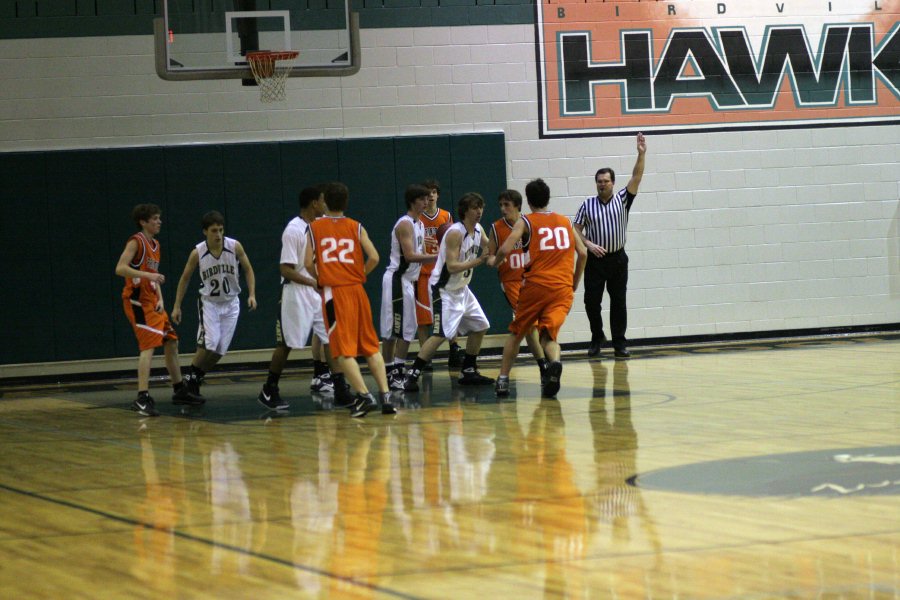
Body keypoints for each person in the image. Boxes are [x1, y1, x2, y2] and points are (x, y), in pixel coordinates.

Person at [488, 179, 587, 397]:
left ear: (528, 201)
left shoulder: (526, 222)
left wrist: (495, 262)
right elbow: (583, 253)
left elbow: (504, 248)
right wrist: (575, 282)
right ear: (548, 197)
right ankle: (555, 363)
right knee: (548, 337)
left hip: (536, 286)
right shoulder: (565, 221)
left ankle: (503, 379)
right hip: (562, 288)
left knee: (517, 332)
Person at [305, 182, 396, 417]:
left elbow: (306, 263)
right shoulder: (356, 227)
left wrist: (320, 279)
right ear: (346, 203)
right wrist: (358, 274)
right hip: (357, 290)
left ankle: (364, 396)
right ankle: (386, 397)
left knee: (341, 351)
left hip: (334, 292)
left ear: (325, 202)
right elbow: (375, 257)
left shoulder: (314, 228)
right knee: (369, 346)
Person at [257, 187, 351, 411]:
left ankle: (340, 388)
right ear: (313, 204)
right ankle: (269, 389)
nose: (325, 204)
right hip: (296, 291)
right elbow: (284, 269)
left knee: (330, 337)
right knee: (287, 343)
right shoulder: (294, 230)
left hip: (317, 291)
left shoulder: (320, 227)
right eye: (322, 200)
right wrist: (312, 282)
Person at [115, 203, 203, 417]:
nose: (159, 221)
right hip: (137, 302)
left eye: (159, 218)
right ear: (143, 222)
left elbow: (153, 276)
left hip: (152, 300)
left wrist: (161, 298)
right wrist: (149, 276)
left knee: (172, 341)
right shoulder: (136, 242)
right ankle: (142, 397)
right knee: (148, 347)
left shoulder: (156, 245)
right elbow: (120, 268)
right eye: (154, 218)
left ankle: (179, 389)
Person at [402, 192, 495, 391]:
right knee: (440, 333)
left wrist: (501, 253)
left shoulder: (478, 230)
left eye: (481, 207)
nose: (479, 211)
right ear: (465, 211)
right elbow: (452, 266)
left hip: (462, 288)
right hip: (443, 289)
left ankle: (469, 370)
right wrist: (480, 260)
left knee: (481, 325)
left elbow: (490, 248)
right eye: (474, 208)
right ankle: (413, 373)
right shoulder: (455, 232)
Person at [573, 132, 647, 359]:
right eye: (599, 181)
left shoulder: (623, 198)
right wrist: (588, 244)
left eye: (606, 181)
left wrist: (641, 154)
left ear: (613, 183)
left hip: (617, 259)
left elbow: (636, 176)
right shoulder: (587, 204)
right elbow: (574, 230)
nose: (602, 184)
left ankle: (619, 344)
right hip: (595, 261)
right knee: (591, 301)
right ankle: (597, 337)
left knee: (618, 302)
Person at [171, 210, 257, 397]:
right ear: (205, 232)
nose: (218, 234)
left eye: (220, 230)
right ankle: (191, 380)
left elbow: (249, 270)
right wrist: (177, 305)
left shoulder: (235, 246)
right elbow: (185, 278)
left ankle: (197, 377)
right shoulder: (198, 252)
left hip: (231, 302)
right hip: (210, 303)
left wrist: (252, 294)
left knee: (220, 350)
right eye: (213, 231)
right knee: (210, 343)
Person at [487, 189, 548, 381]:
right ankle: (543, 365)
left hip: (533, 280)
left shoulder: (531, 223)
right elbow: (490, 255)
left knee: (533, 326)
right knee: (529, 326)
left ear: (518, 207)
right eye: (501, 205)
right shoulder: (496, 228)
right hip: (512, 282)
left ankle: (543, 364)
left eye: (507, 205)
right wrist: (493, 260)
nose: (503, 209)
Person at [380, 184, 436, 390]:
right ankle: (390, 372)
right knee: (394, 329)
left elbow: (416, 251)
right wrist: (437, 257)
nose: (427, 202)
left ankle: (397, 369)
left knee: (408, 329)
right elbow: (410, 255)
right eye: (423, 199)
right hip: (397, 279)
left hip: (407, 282)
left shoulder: (419, 224)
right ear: (413, 201)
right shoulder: (405, 224)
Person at [415, 179, 456, 370]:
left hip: (443, 274)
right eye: (427, 193)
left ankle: (454, 349)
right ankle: (426, 357)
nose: (431, 196)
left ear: (438, 194)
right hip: (423, 274)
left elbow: (455, 243)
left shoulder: (447, 216)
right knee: (423, 319)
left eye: (433, 192)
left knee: (449, 314)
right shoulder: (417, 219)